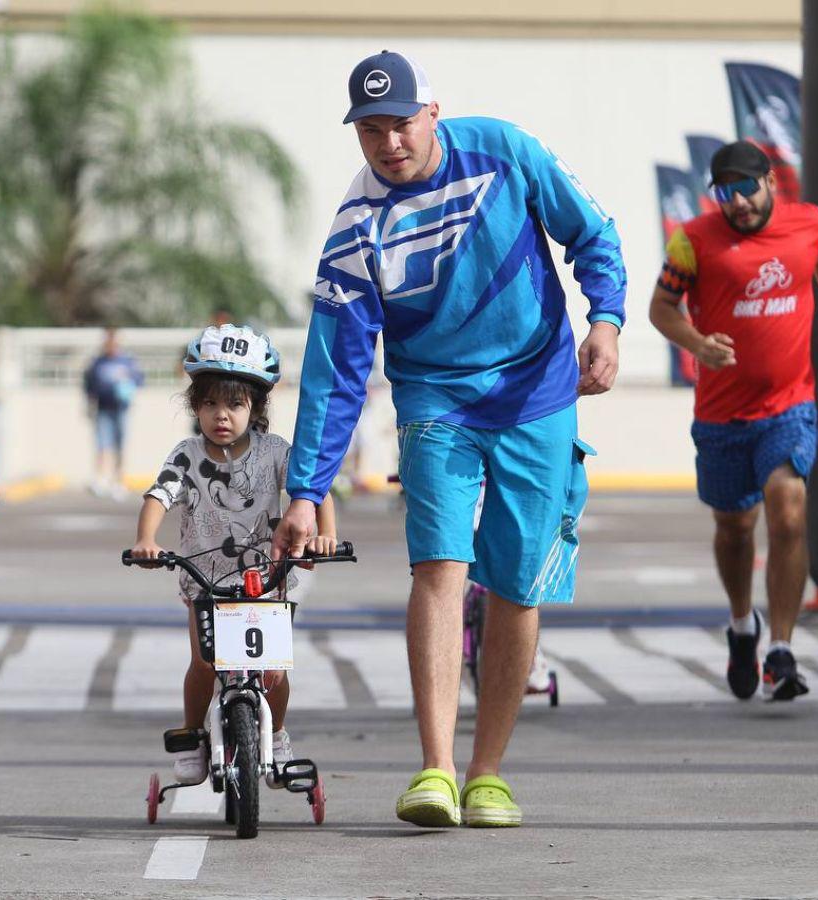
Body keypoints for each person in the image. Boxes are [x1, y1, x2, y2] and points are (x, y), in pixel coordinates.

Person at [273, 51, 626, 828]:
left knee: (517, 581)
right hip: (436, 399)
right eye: (370, 129)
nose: (388, 142)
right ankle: (434, 769)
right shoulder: (357, 226)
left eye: (400, 123)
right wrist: (306, 489)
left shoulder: (506, 151)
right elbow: (335, 369)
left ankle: (487, 772)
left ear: (433, 113)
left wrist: (605, 320)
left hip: (538, 392)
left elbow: (594, 236)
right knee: (440, 564)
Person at [648, 140, 818, 702]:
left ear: (770, 182)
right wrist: (696, 344)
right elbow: (660, 308)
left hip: (788, 407)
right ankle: (744, 625)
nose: (737, 203)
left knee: (787, 508)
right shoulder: (692, 240)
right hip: (721, 417)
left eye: (746, 189)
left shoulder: (809, 222)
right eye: (725, 193)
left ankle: (781, 650)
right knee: (734, 531)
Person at [130, 324, 337, 786]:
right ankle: (190, 735)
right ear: (194, 407)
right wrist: (147, 540)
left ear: (257, 407)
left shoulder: (275, 452)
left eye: (235, 404)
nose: (221, 415)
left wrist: (327, 534)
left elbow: (313, 490)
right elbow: (158, 496)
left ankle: (277, 732)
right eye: (209, 404)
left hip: (265, 579)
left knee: (275, 673)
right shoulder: (185, 455)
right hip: (204, 581)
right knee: (204, 664)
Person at [83, 327, 143, 498]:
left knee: (120, 445)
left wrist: (127, 387)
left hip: (121, 409)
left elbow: (138, 380)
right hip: (103, 408)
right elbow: (89, 385)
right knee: (102, 444)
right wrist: (88, 404)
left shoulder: (127, 361)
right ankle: (101, 478)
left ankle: (119, 480)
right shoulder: (97, 362)